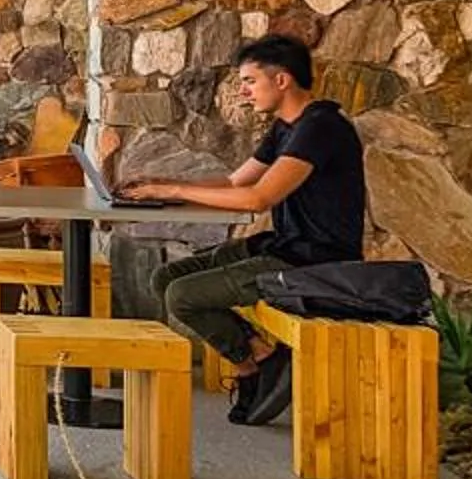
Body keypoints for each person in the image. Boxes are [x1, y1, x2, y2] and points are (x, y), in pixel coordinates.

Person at [123, 34, 366, 428]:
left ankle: (252, 367)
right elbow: (237, 182)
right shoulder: (288, 127)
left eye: (250, 81)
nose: (242, 91)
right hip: (283, 246)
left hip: (315, 260)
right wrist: (159, 184)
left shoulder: (321, 127)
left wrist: (173, 190)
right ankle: (264, 354)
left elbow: (258, 199)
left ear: (282, 80)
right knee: (165, 277)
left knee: (183, 296)